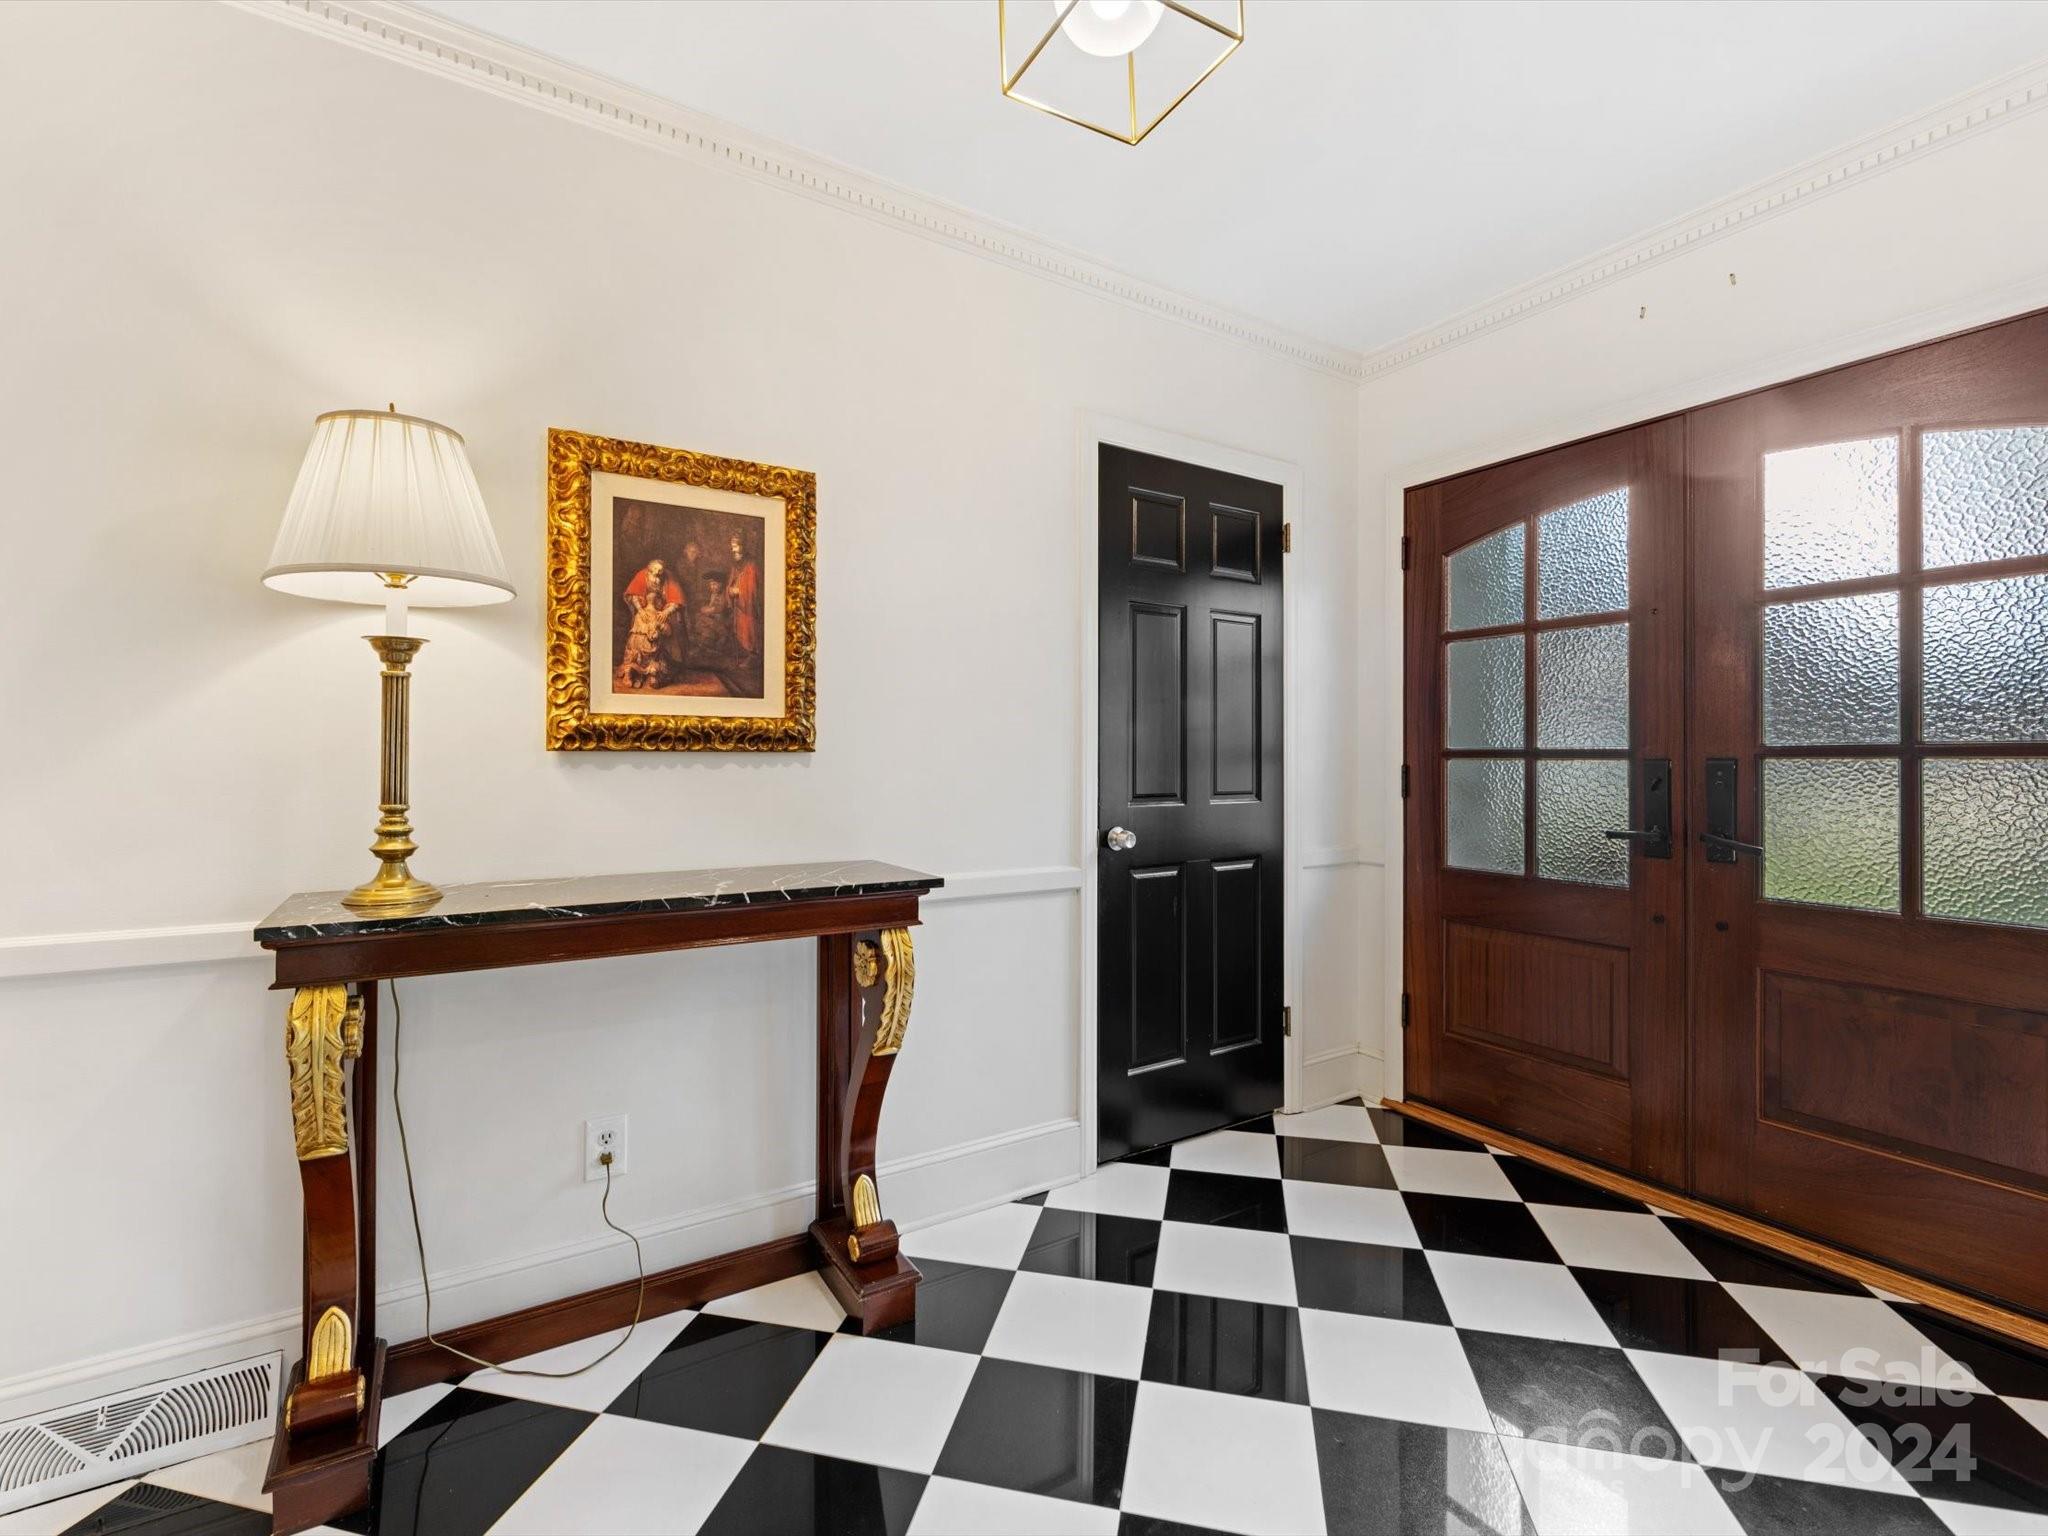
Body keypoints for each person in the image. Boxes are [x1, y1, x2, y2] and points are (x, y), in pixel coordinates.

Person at [616, 583, 678, 690]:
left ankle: (646, 676)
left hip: (643, 645)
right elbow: (667, 631)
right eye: (660, 601)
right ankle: (635, 675)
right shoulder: (654, 614)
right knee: (638, 657)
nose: (660, 603)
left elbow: (668, 632)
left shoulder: (642, 614)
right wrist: (658, 629)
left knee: (644, 658)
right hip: (645, 646)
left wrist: (660, 628)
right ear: (657, 601)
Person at [726, 534, 762, 658]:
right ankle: (744, 655)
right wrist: (729, 590)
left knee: (749, 630)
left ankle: (753, 656)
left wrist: (739, 591)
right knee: (739, 630)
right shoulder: (736, 563)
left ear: (742, 546)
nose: (733, 550)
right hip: (738, 605)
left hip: (748, 606)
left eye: (735, 546)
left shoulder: (751, 564)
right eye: (732, 547)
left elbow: (752, 587)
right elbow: (732, 579)